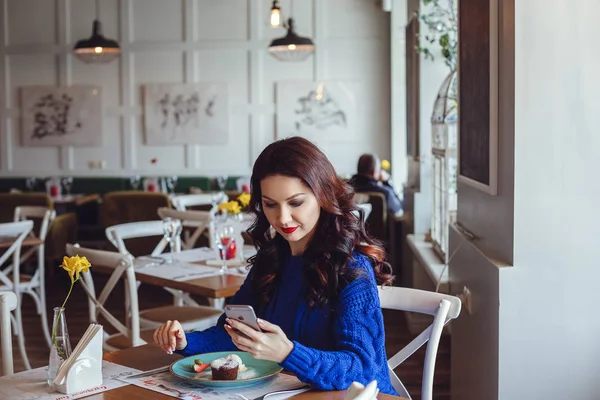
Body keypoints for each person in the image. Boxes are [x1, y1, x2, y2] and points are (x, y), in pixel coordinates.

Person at [153, 137, 397, 395]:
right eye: (270, 204)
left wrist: (288, 352)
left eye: (295, 203)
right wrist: (185, 341)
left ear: (323, 196)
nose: (282, 218)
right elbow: (232, 334)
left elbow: (363, 370)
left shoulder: (352, 269)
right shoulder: (270, 260)